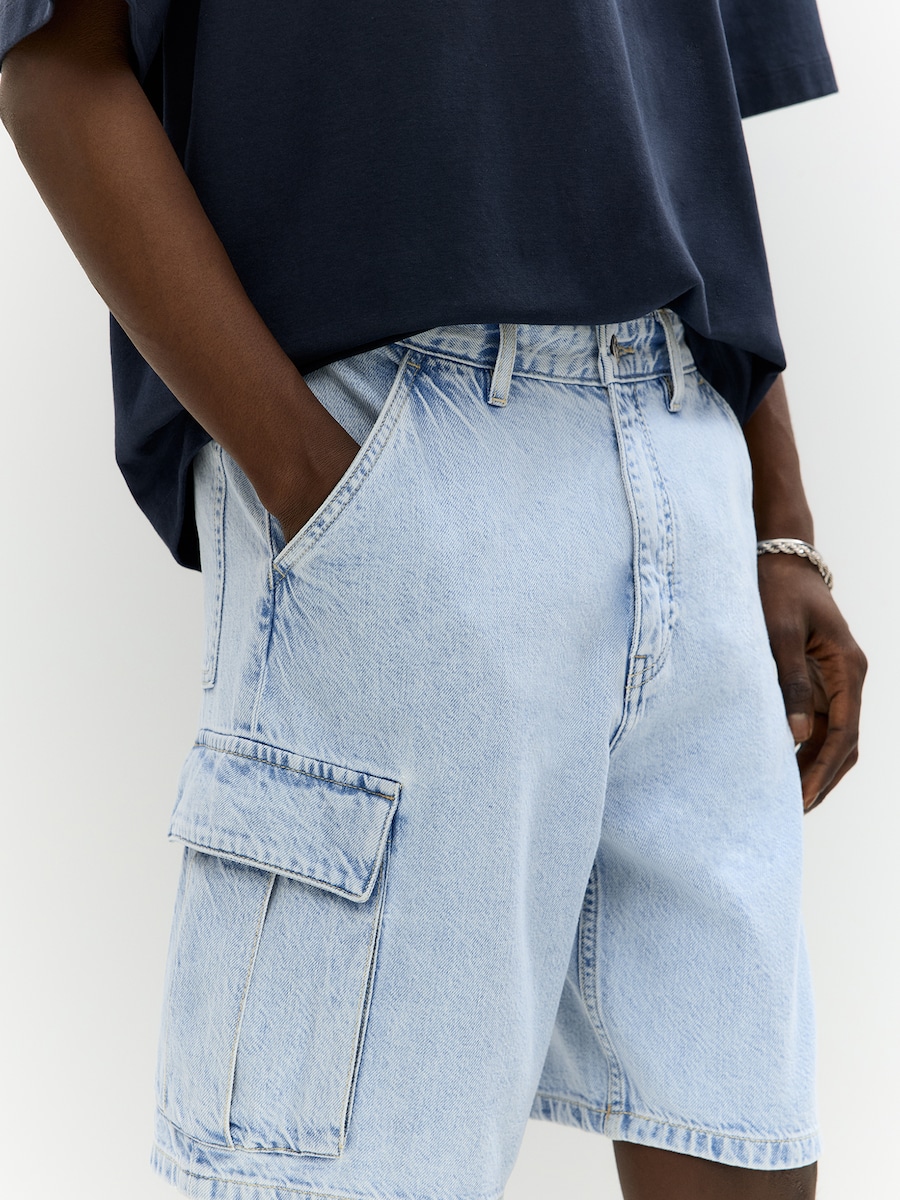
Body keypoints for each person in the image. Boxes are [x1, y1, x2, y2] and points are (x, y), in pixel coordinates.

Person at [0, 1, 867, 1198]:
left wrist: (779, 523)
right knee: (343, 1171)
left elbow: (695, 104)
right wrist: (316, 484)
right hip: (395, 435)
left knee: (742, 1136)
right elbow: (56, 60)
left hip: (684, 433)